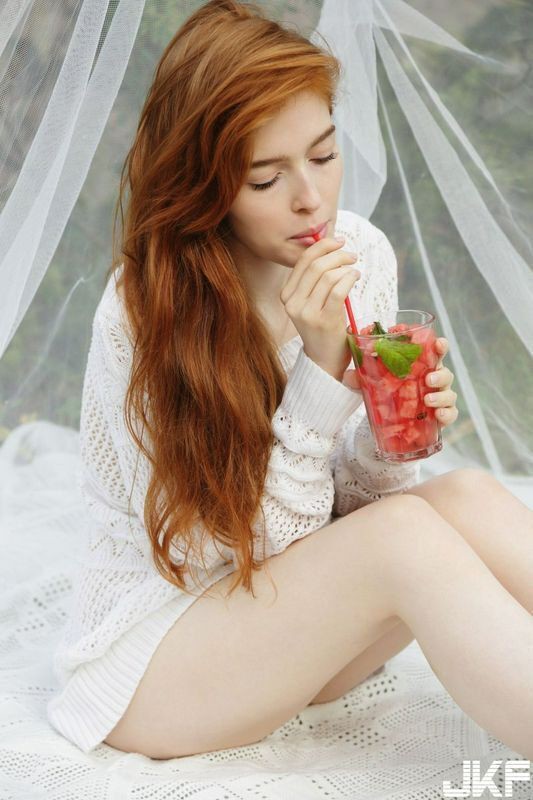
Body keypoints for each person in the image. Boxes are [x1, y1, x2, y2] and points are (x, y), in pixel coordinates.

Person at [46, 0, 533, 761]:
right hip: (162, 655)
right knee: (403, 538)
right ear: (206, 187)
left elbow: (349, 521)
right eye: (266, 178)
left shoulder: (357, 256)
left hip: (293, 635)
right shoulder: (145, 312)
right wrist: (318, 375)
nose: (311, 198)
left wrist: (386, 434)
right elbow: (220, 557)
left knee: (462, 495)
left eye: (324, 155)